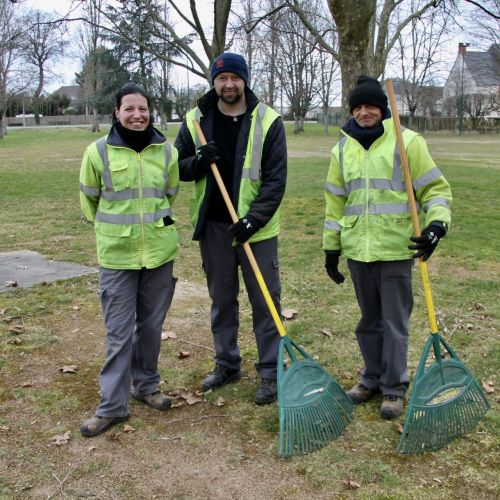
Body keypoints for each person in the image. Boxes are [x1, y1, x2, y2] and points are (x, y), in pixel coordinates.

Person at [323, 75, 452, 419]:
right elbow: (335, 202)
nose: (365, 112)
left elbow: (435, 190)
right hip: (358, 251)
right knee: (369, 320)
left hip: (396, 249)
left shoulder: (408, 143)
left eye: (371, 106)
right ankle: (371, 378)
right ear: (351, 111)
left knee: (394, 321)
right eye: (358, 107)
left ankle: (394, 388)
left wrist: (437, 225)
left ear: (382, 108)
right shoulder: (342, 148)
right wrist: (331, 249)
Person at [174, 52, 287, 405]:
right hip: (215, 228)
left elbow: (275, 180)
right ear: (214, 81)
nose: (228, 84)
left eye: (235, 78)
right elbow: (177, 167)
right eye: (222, 79)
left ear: (244, 80)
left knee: (265, 302)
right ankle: (227, 363)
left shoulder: (267, 120)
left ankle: (270, 371)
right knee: (222, 300)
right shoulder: (196, 120)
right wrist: (198, 161)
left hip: (256, 229)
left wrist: (254, 219)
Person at [79, 82, 179, 436]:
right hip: (117, 257)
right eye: (129, 109)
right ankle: (112, 407)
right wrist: (115, 233)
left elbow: (170, 193)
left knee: (151, 328)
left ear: (150, 112)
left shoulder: (166, 151)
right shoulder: (98, 152)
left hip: (159, 253)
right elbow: (89, 201)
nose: (137, 115)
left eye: (143, 109)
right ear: (117, 113)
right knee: (119, 333)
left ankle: (147, 386)